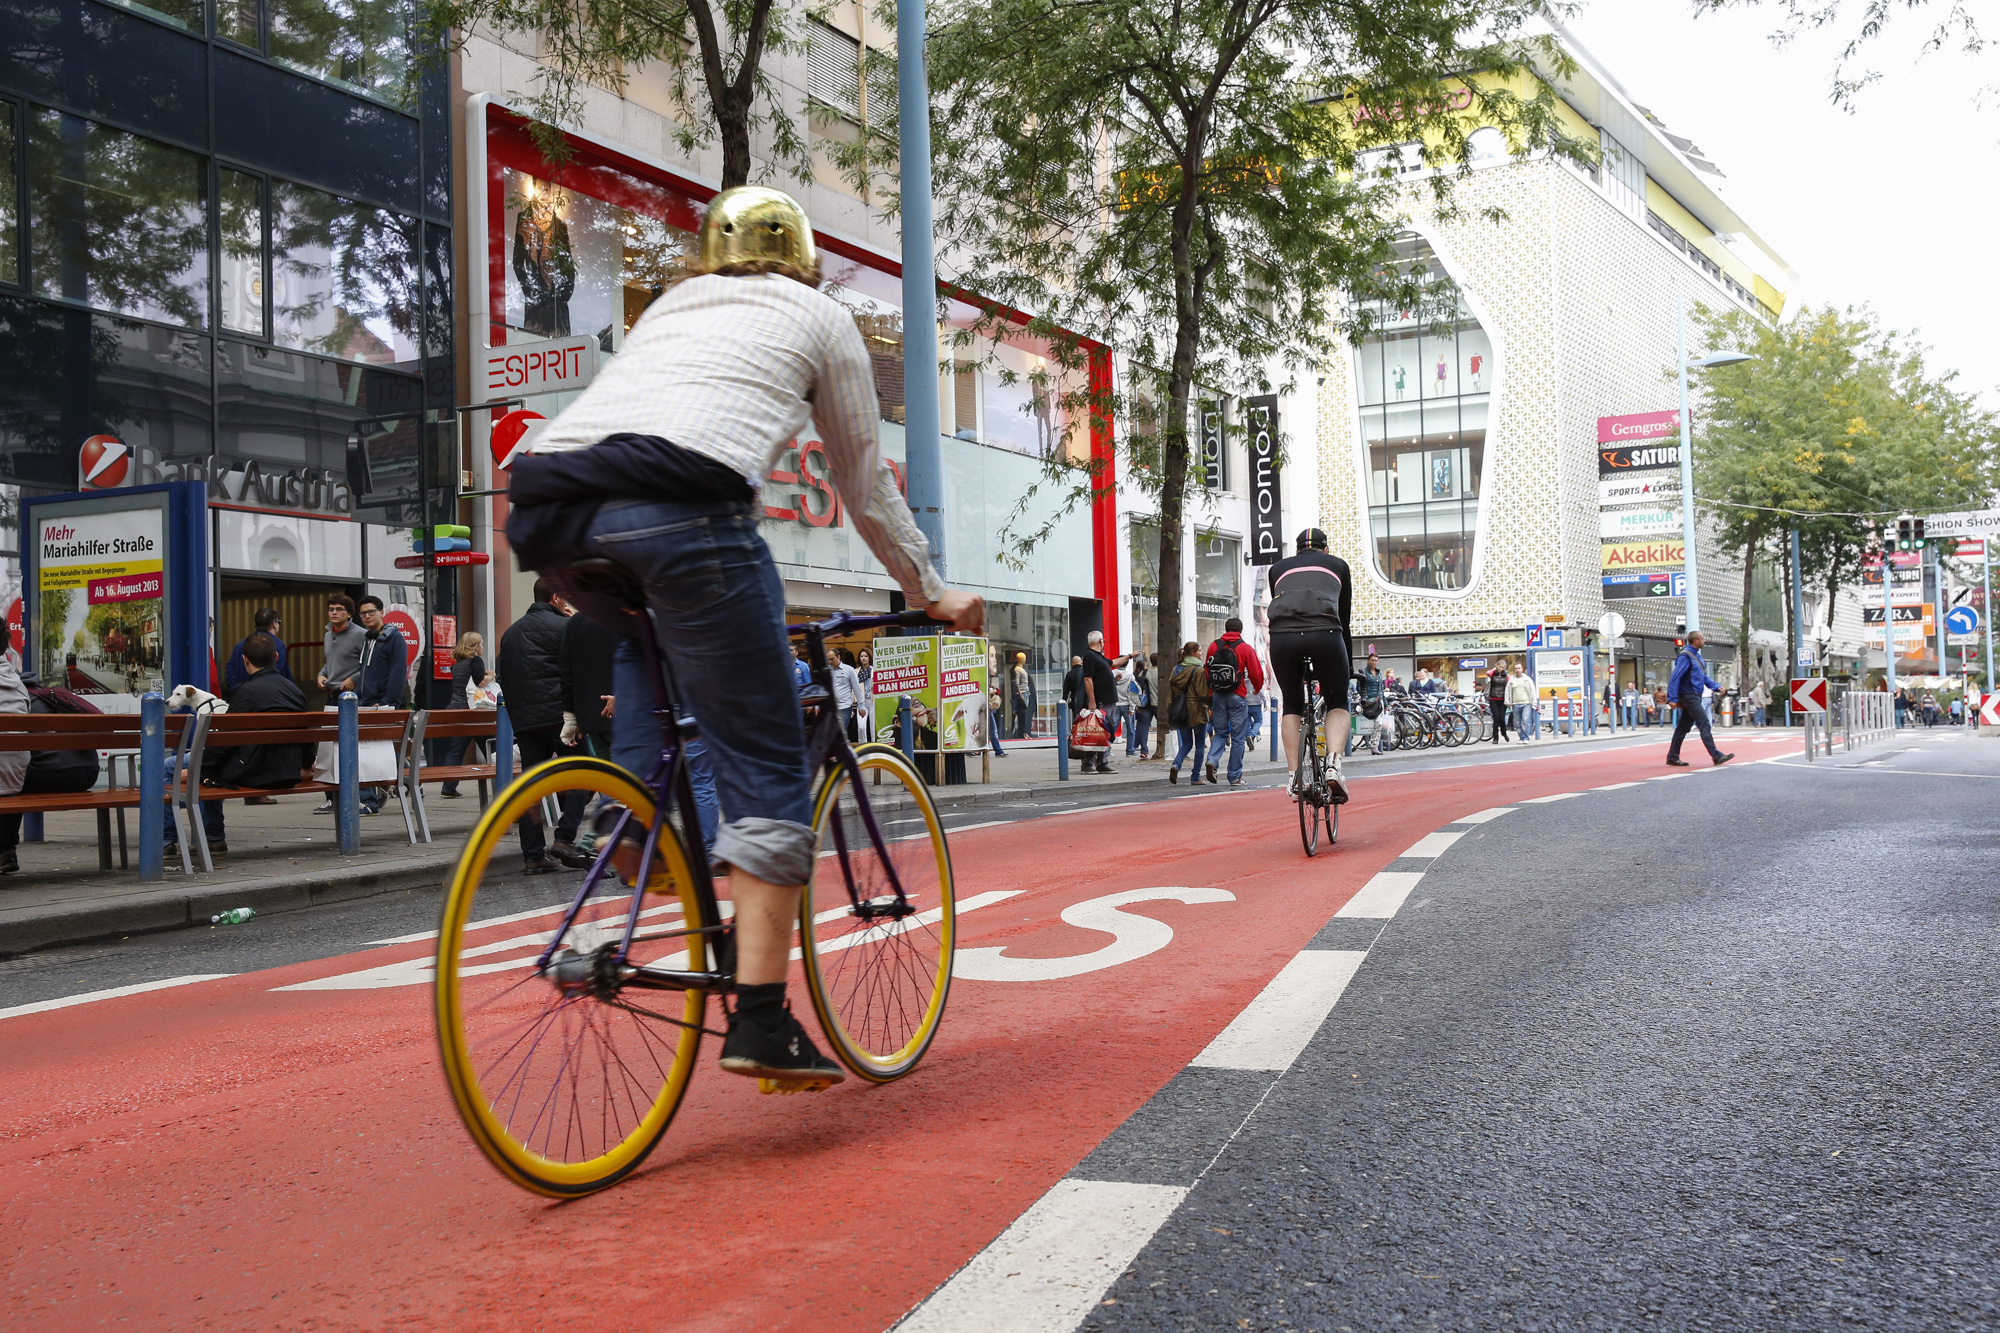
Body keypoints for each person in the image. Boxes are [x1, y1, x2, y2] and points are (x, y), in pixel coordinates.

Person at [505, 185, 984, 1088]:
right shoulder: (818, 314)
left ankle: (643, 837)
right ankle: (762, 1018)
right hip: (685, 510)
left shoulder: (674, 307)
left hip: (553, 512)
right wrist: (930, 590)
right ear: (801, 257)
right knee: (767, 762)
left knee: (649, 649)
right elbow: (864, 484)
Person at [166, 633, 314, 859]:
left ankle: (170, 841)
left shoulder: (245, 693)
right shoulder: (295, 691)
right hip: (288, 771)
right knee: (207, 765)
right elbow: (308, 736)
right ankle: (211, 838)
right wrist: (305, 765)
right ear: (276, 657)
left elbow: (225, 742)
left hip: (254, 772)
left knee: (173, 766)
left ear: (245, 661)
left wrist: (197, 766)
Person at [498, 580, 589, 869]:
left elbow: (504, 676)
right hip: (561, 719)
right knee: (582, 775)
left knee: (532, 786)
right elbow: (577, 671)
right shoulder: (565, 627)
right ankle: (564, 839)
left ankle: (533, 856)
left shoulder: (510, 634)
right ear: (556, 597)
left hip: (526, 722)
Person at [1266, 529, 1352, 802]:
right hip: (1325, 633)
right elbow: (1344, 619)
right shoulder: (1338, 565)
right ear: (1325, 550)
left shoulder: (1277, 569)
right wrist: (1346, 667)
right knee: (1337, 701)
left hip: (1282, 638)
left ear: (1297, 550)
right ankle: (1334, 766)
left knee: (1291, 703)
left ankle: (1293, 777)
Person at [0, 663, 99, 876]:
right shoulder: (49, 695)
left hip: (48, 774)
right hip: (87, 773)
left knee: (11, 782)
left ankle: (5, 851)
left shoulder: (15, 698)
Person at [353, 595, 409, 818]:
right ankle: (414, 782)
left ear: (381, 612)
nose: (367, 616)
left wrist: (387, 703)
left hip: (383, 705)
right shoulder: (368, 639)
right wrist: (356, 697)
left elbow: (398, 673)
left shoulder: (394, 638)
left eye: (371, 612)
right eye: (363, 614)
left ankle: (369, 801)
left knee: (369, 753)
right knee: (378, 751)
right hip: (366, 703)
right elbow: (364, 673)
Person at [1202, 616, 1266, 787]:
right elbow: (1256, 673)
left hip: (1217, 695)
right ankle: (1234, 776)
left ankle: (1212, 761)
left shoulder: (1214, 646)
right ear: (1240, 630)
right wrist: (1257, 689)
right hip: (1237, 694)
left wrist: (1211, 692)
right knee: (1238, 738)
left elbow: (1207, 670)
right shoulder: (1245, 648)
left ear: (1225, 628)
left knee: (1221, 732)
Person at [1665, 631, 1734, 767]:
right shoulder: (1686, 656)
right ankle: (1716, 755)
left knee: (1683, 727)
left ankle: (1672, 756)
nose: (1705, 641)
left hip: (1694, 695)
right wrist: (1672, 698)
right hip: (1689, 696)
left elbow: (1702, 677)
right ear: (1695, 641)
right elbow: (1675, 677)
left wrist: (1715, 686)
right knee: (1704, 723)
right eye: (1702, 639)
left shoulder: (1696, 656)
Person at [438, 631, 493, 798]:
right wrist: (491, 675)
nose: (482, 647)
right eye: (481, 644)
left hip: (456, 708)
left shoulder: (457, 664)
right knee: (492, 748)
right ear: (475, 647)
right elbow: (480, 681)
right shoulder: (475, 661)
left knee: (456, 750)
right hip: (473, 710)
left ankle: (448, 787)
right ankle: (503, 783)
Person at [1162, 641, 1212, 784]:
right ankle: (1195, 777)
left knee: (1186, 743)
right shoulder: (1199, 670)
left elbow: (1171, 692)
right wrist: (1211, 703)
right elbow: (1203, 693)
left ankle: (1176, 765)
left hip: (1181, 710)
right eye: (1200, 651)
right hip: (1196, 709)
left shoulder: (1176, 669)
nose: (1202, 653)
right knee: (1200, 744)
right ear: (1193, 653)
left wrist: (1170, 709)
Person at [1077, 631, 1119, 774]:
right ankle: (1089, 763)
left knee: (1105, 732)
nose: (1105, 643)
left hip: (1108, 700)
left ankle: (1102, 762)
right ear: (1100, 641)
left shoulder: (1099, 657)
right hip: (1102, 701)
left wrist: (1130, 656)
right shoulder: (1090, 656)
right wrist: (1092, 702)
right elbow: (1087, 679)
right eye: (1104, 641)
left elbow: (1114, 662)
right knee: (1098, 732)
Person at [223, 608, 289, 696]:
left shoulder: (239, 646)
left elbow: (230, 673)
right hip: (269, 697)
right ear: (274, 624)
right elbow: (283, 673)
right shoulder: (279, 646)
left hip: (242, 698)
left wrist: (239, 691)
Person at [317, 594, 366, 702]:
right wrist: (321, 674)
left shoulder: (361, 634)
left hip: (352, 695)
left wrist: (354, 679)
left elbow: (369, 664)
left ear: (349, 614)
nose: (334, 612)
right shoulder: (328, 635)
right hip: (331, 694)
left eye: (339, 609)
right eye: (331, 609)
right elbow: (330, 661)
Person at [830, 647, 865, 742]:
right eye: (828, 659)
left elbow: (857, 688)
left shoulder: (849, 670)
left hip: (844, 707)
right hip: (830, 708)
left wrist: (861, 706)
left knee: (841, 733)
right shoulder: (827, 671)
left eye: (832, 659)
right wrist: (817, 706)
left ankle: (840, 754)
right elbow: (822, 689)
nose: (830, 661)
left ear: (838, 657)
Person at [1506, 664, 1537, 743]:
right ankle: (1521, 737)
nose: (1517, 670)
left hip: (1526, 703)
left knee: (1525, 720)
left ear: (1522, 669)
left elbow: (1532, 691)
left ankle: (1526, 738)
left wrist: (1534, 702)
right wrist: (1507, 701)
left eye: (1519, 668)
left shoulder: (1527, 679)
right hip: (1515, 703)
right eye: (1516, 668)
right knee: (1517, 723)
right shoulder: (1511, 680)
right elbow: (1507, 691)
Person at [1010, 651, 1034, 738]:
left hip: (1025, 692)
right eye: (1022, 658)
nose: (1024, 659)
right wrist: (1019, 694)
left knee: (1025, 714)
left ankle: (1025, 732)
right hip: (1022, 694)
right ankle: (1022, 733)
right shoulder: (1017, 670)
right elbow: (1017, 683)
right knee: (1022, 714)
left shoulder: (1021, 669)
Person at [1484, 664, 1509, 743]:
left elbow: (1509, 683)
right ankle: (1495, 737)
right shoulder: (1493, 674)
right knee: (1496, 719)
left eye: (1503, 667)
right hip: (1493, 699)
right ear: (1497, 666)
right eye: (1500, 667)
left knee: (1502, 718)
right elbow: (1488, 672)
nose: (1501, 669)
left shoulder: (1506, 675)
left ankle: (1504, 733)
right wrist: (1495, 669)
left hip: (1502, 699)